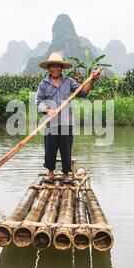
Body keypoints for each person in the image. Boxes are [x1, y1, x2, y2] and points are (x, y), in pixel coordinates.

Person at [36, 51, 101, 184]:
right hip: (51, 122)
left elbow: (83, 92)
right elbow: (38, 102)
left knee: (66, 148)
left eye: (58, 66)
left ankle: (66, 175)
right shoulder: (43, 84)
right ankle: (50, 174)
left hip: (66, 122)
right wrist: (47, 110)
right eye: (53, 66)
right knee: (50, 149)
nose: (55, 68)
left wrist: (92, 79)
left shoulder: (68, 81)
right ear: (49, 68)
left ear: (61, 68)